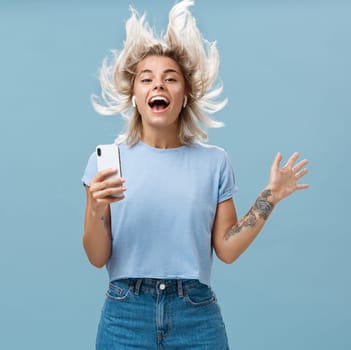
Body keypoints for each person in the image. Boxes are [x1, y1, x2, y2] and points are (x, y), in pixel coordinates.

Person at [81, 1, 309, 348]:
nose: (158, 85)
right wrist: (97, 209)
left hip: (195, 312)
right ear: (135, 95)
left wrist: (270, 197)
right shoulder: (107, 162)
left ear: (184, 95)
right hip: (125, 313)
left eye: (170, 79)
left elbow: (227, 249)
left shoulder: (214, 162)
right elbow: (98, 257)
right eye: (147, 79)